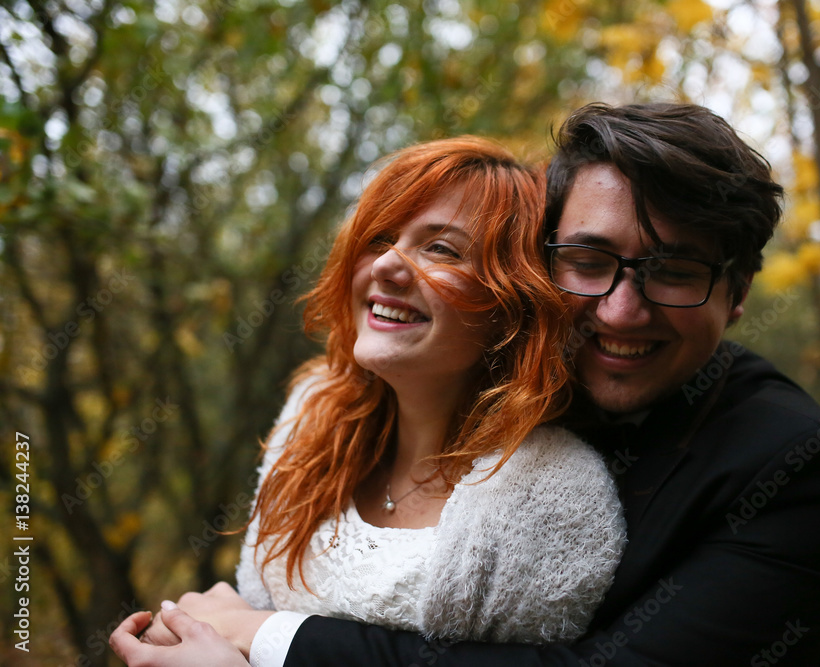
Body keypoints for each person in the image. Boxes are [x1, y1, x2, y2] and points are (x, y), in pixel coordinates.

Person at [113, 102, 820, 666]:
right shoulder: (447, 385)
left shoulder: (806, 469)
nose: (621, 310)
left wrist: (266, 639)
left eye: (675, 272)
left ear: (739, 289)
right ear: (535, 267)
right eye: (588, 261)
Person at [111, 136, 626, 665]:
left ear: (510, 305)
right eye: (379, 239)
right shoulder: (313, 413)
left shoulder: (551, 493)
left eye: (441, 249)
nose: (387, 267)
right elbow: (240, 612)